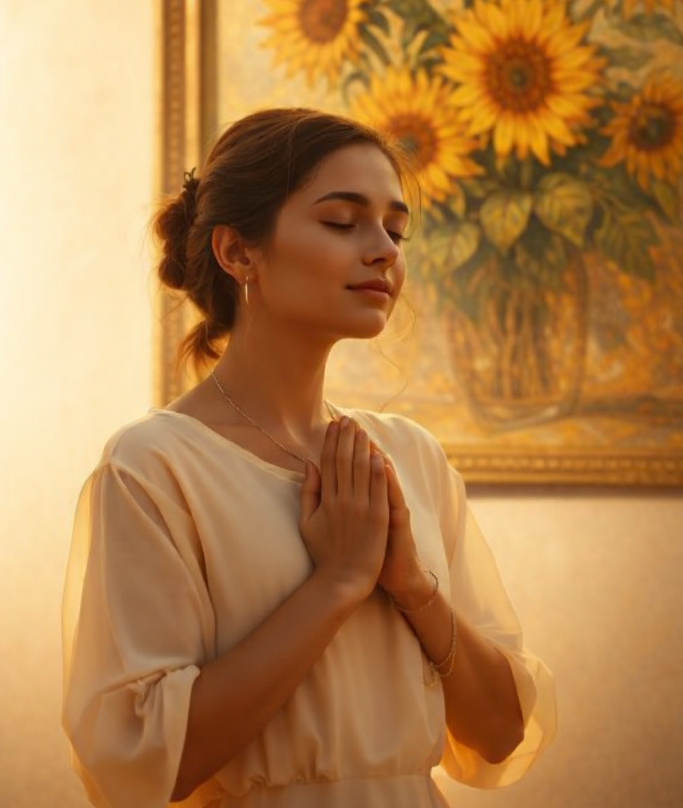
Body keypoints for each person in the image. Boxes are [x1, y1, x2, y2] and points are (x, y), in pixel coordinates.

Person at [62, 107, 556, 808]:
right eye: (342, 221)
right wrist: (338, 582)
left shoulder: (410, 456)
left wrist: (411, 585)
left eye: (395, 229)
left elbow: (502, 732)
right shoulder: (153, 468)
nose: (383, 250)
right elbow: (149, 765)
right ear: (238, 253)